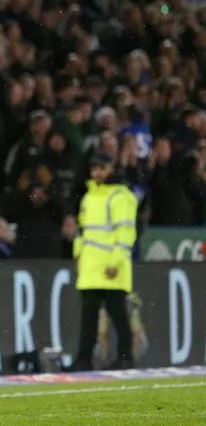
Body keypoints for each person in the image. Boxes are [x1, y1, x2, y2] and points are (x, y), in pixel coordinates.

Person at [71, 153, 138, 371]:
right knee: (88, 319)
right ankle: (83, 360)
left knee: (118, 315)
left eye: (102, 168)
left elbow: (126, 232)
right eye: (95, 168)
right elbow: (82, 230)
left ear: (111, 169)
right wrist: (78, 254)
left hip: (111, 267)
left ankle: (126, 357)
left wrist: (116, 262)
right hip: (91, 266)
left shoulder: (121, 195)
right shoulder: (89, 197)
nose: (98, 173)